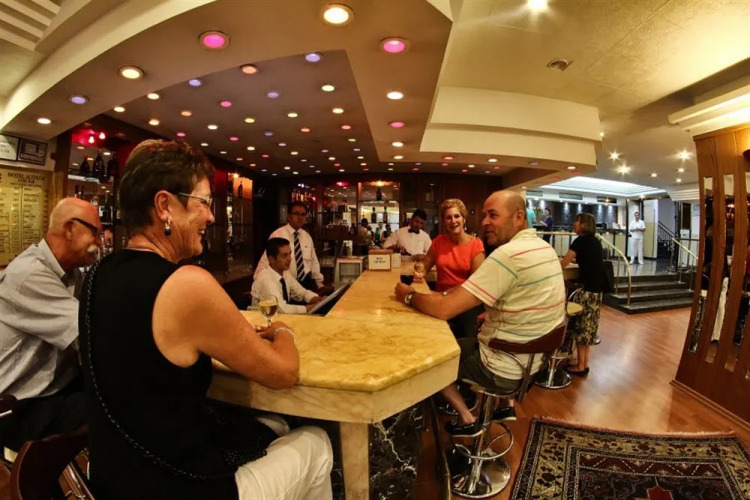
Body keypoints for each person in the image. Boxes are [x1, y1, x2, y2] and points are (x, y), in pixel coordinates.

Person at [80, 140, 332, 500]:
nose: (212, 217)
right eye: (204, 202)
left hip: (111, 482)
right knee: (317, 442)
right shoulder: (186, 284)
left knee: (273, 424)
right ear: (165, 206)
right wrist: (283, 330)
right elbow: (283, 373)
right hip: (178, 488)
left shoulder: (97, 275)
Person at [394, 191, 565, 436]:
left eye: (492, 215)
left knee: (429, 354)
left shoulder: (506, 255)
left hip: (501, 366)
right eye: (484, 215)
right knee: (460, 338)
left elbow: (444, 309)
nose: (484, 222)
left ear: (519, 217)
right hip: (533, 365)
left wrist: (408, 296)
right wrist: (494, 314)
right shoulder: (545, 248)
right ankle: (498, 405)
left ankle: (467, 418)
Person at [0, 198, 102, 452]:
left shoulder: (72, 274)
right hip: (15, 407)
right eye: (95, 232)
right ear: (70, 228)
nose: (99, 243)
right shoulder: (30, 275)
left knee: (118, 394)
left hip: (51, 391)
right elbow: (90, 332)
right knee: (114, 410)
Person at [420, 199, 485, 338]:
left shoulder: (475, 244)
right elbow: (424, 266)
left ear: (464, 219)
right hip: (439, 300)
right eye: (448, 217)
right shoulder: (438, 241)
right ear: (444, 222)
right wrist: (419, 270)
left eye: (457, 216)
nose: (453, 221)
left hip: (464, 302)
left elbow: (475, 282)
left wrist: (447, 294)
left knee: (463, 339)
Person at [559, 213, 606, 376]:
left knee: (581, 328)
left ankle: (580, 366)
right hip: (597, 292)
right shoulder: (595, 242)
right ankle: (583, 363)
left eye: (576, 221)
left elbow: (563, 263)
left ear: (583, 224)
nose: (574, 224)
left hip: (585, 291)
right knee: (588, 329)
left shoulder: (580, 241)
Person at [255, 201, 331, 294]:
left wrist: (319, 284)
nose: (300, 217)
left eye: (303, 214)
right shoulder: (278, 235)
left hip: (305, 283)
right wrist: (259, 285)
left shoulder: (307, 236)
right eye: (296, 214)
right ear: (289, 216)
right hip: (285, 284)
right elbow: (265, 263)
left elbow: (313, 262)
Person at [251, 238, 323, 313]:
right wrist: (309, 307)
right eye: (284, 255)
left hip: (282, 317)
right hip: (263, 319)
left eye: (290, 254)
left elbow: (301, 292)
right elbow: (281, 309)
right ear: (271, 259)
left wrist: (317, 299)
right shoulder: (265, 279)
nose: (290, 259)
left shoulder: (285, 273)